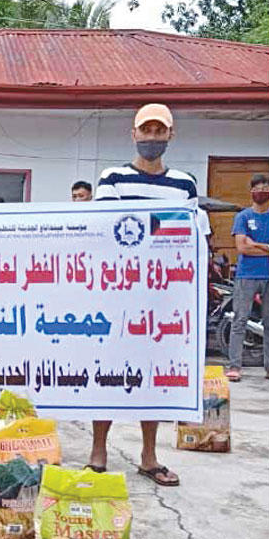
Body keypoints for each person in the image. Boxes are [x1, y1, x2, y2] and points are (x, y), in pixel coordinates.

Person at [92, 103, 195, 487]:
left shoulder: (184, 184)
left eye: (159, 131)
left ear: (171, 135)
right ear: (132, 134)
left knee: (153, 377)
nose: (152, 138)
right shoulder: (113, 178)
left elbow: (187, 238)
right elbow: (104, 230)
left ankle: (149, 456)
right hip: (116, 294)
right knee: (107, 374)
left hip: (161, 298)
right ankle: (98, 451)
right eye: (145, 131)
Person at [227, 174, 269, 381]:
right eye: (257, 187)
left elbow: (251, 245)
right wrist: (268, 249)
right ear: (251, 191)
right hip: (246, 276)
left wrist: (255, 244)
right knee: (240, 321)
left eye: (265, 187)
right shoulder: (243, 217)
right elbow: (242, 247)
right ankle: (235, 366)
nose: (261, 191)